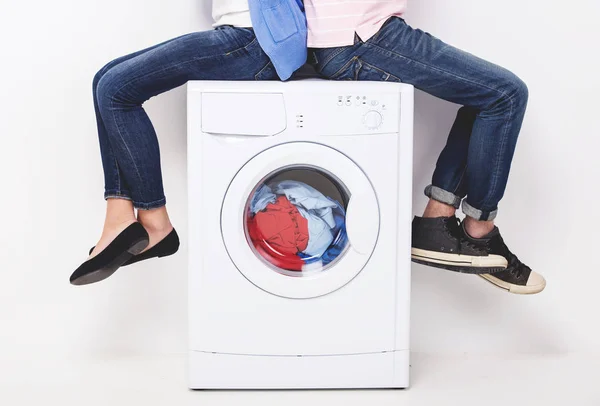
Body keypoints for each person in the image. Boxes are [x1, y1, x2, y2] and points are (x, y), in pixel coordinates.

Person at [305, 0, 545, 294]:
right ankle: (480, 229)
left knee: (487, 95)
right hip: (362, 36)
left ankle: (437, 219)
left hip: (346, 34)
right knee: (506, 95)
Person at [70, 0, 307, 285]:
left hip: (256, 40)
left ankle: (155, 224)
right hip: (242, 33)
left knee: (115, 90)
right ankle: (119, 217)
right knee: (104, 79)